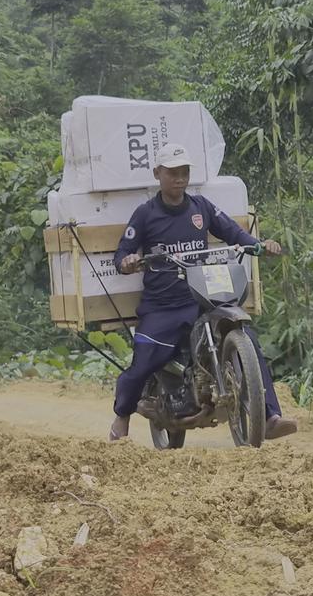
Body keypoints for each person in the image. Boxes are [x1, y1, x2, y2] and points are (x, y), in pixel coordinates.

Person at [109, 142, 297, 442]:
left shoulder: (202, 207)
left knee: (247, 338)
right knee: (143, 364)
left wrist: (259, 245)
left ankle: (269, 417)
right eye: (172, 172)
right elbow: (122, 253)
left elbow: (233, 232)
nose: (179, 178)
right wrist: (128, 262)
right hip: (162, 306)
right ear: (158, 173)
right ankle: (122, 416)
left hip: (201, 299)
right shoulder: (145, 214)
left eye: (184, 171)